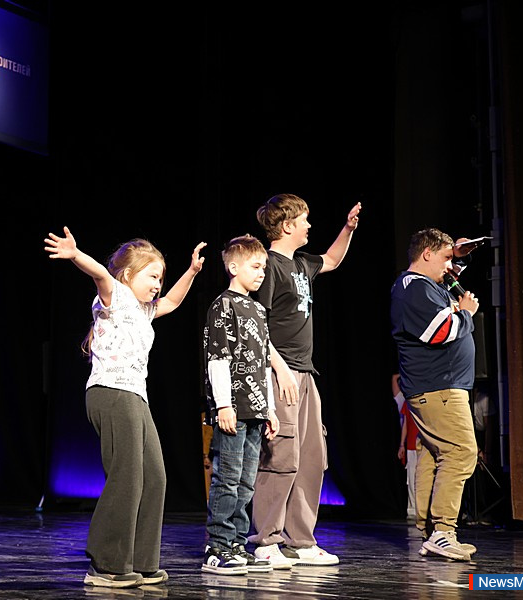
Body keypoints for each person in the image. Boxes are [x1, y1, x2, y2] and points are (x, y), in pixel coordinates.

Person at [44, 226, 205, 588]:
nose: (158, 284)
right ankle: (107, 565)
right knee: (127, 475)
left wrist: (192, 272)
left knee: (155, 477)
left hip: (135, 396)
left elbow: (172, 302)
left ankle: (142, 561)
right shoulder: (115, 296)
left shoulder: (144, 311)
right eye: (152, 276)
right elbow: (101, 273)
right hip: (111, 392)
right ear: (129, 275)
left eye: (160, 278)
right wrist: (76, 254)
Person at [248, 194, 362, 567]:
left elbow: (332, 260)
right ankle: (266, 539)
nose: (309, 225)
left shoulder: (301, 264)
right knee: (281, 455)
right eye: (303, 220)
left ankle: (300, 540)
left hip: (305, 373)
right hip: (278, 373)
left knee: (312, 458)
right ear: (286, 226)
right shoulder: (268, 266)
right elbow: (255, 324)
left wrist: (348, 229)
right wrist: (279, 367)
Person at [201, 235, 289, 575]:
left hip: (255, 410)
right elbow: (218, 359)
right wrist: (223, 405)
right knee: (227, 476)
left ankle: (237, 543)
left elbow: (264, 364)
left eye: (264, 268)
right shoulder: (223, 306)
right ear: (234, 267)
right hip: (232, 410)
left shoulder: (258, 310)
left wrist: (270, 409)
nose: (261, 273)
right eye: (255, 267)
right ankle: (217, 546)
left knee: (246, 480)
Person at [390, 227, 479, 561]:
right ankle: (443, 531)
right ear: (426, 254)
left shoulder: (427, 285)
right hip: (438, 386)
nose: (448, 266)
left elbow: (451, 279)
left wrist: (458, 257)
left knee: (435, 454)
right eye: (444, 258)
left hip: (440, 386)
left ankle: (431, 532)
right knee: (460, 452)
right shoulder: (414, 287)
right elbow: (440, 331)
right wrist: (466, 313)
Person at [394, 373, 419, 520]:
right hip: (411, 445)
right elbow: (405, 425)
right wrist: (401, 445)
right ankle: (412, 508)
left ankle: (424, 509)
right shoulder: (408, 402)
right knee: (411, 477)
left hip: (424, 445)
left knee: (424, 478)